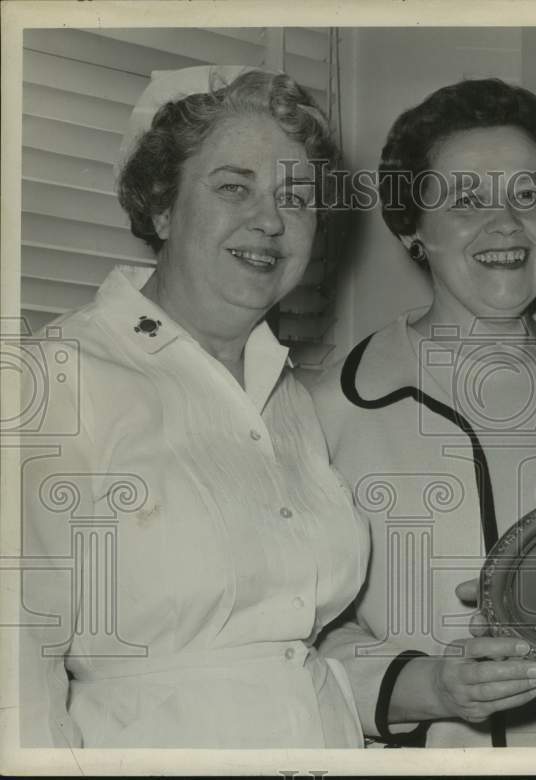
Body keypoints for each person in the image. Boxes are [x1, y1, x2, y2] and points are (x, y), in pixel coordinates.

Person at [19, 67, 368, 748]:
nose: (270, 220)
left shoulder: (288, 395)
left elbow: (291, 643)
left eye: (296, 199)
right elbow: (15, 668)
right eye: (234, 187)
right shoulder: (57, 375)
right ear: (162, 207)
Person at [307, 78, 536, 747]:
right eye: (466, 200)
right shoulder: (336, 407)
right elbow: (297, 635)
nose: (507, 225)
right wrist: (430, 684)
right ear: (412, 228)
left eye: (529, 195)